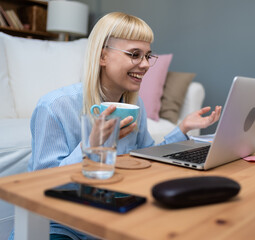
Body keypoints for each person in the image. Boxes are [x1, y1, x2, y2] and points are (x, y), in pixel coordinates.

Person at [10, 12, 221, 240]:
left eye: (148, 56)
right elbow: (41, 184)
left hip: (107, 219)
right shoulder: (55, 107)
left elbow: (146, 158)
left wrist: (183, 128)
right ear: (103, 56)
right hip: (58, 225)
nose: (145, 64)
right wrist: (91, 146)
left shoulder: (133, 105)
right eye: (135, 54)